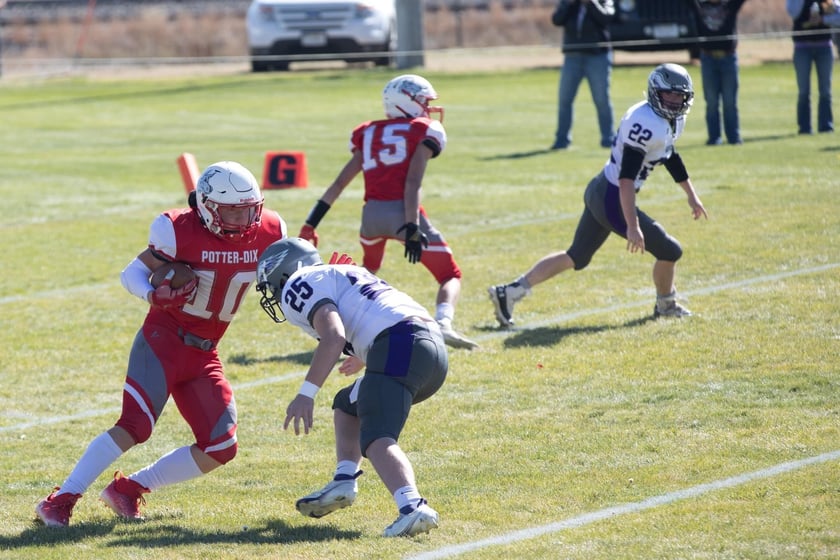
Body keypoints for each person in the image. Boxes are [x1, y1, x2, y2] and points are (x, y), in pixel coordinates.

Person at [35, 161, 288, 527]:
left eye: (248, 209)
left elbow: (288, 272)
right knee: (135, 425)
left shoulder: (270, 230)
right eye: (232, 210)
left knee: (220, 447)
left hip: (205, 351)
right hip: (164, 339)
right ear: (207, 207)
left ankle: (129, 489)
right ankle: (60, 500)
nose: (242, 219)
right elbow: (132, 272)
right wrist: (154, 295)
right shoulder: (176, 229)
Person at [489, 64, 708, 327]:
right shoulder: (646, 122)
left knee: (577, 256)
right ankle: (666, 304)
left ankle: (510, 292)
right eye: (668, 94)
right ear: (654, 92)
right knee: (670, 250)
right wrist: (632, 225)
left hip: (601, 188)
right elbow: (627, 178)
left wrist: (691, 195)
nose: (674, 101)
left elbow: (669, 155)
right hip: (611, 196)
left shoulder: (668, 121)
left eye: (678, 95)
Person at [255, 237, 447, 537]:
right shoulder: (333, 274)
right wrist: (362, 354)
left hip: (400, 343)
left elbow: (333, 337)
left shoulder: (297, 282)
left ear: (284, 271)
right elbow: (369, 311)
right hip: (430, 347)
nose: (274, 293)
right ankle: (344, 479)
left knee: (376, 435)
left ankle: (412, 506)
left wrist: (306, 394)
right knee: (348, 404)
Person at [297, 74, 478, 350]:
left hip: (370, 217)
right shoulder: (422, 130)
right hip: (403, 213)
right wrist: (411, 226)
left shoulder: (367, 132)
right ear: (406, 101)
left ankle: (343, 327)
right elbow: (412, 182)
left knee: (364, 275)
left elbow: (339, 183)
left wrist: (311, 223)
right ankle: (443, 324)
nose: (428, 108)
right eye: (424, 102)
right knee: (449, 275)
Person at [550, 0, 616, 150]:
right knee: (565, 99)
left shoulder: (603, 1)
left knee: (601, 99)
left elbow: (606, 18)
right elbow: (556, 20)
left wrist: (591, 3)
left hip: (597, 56)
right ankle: (562, 140)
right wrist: (569, 4)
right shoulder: (568, 2)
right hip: (572, 56)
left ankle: (608, 138)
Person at [689, 0, 748, 145]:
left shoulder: (730, 5)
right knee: (711, 101)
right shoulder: (700, 6)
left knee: (730, 101)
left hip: (728, 58)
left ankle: (734, 137)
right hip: (708, 59)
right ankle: (714, 137)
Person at [786, 0, 838, 134]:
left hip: (824, 47)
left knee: (825, 90)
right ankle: (804, 128)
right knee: (803, 91)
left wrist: (823, 19)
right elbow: (793, 13)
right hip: (802, 48)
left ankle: (826, 126)